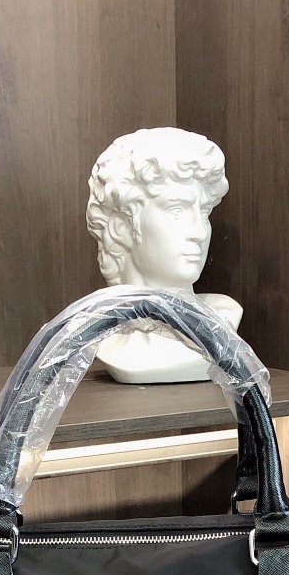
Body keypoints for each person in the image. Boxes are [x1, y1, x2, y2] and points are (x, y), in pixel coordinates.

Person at [86, 127, 242, 383]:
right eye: (176, 210)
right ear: (121, 228)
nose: (199, 232)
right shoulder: (96, 332)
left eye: (203, 212)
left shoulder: (222, 320)